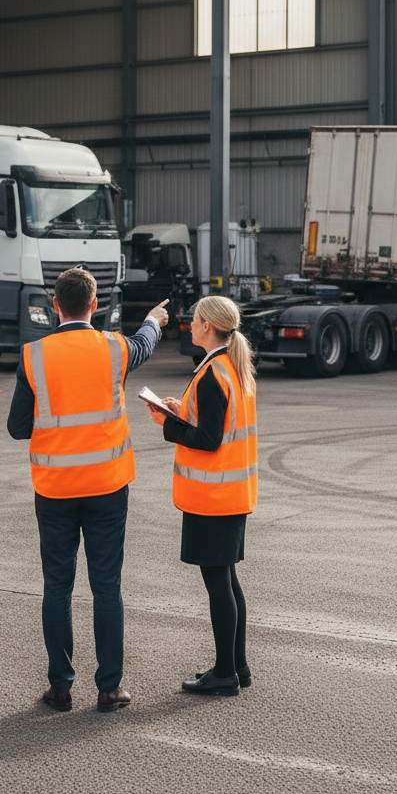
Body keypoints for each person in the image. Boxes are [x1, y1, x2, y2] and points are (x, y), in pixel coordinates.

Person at [7, 268, 169, 713]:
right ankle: (109, 687)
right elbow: (145, 344)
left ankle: (60, 687)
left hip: (55, 488)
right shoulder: (115, 348)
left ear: (54, 306)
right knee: (106, 586)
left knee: (57, 587)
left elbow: (18, 427)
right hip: (107, 486)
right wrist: (153, 319)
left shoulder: (33, 356)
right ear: (95, 305)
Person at [148, 295, 258, 698]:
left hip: (212, 496)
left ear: (208, 327)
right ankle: (237, 666)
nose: (189, 326)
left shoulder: (213, 373)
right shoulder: (232, 368)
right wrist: (183, 413)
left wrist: (168, 423)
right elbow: (219, 426)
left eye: (194, 321)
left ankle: (225, 672)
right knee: (228, 580)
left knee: (218, 583)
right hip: (232, 493)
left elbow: (208, 440)